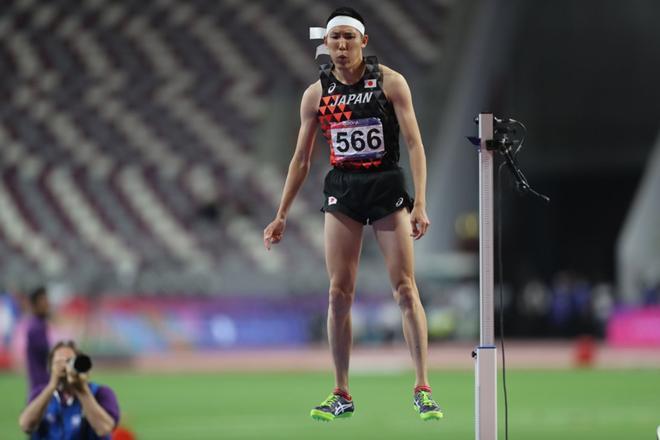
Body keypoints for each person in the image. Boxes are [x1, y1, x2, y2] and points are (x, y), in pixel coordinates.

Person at [263, 6, 442, 422]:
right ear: (325, 44)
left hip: (385, 185)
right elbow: (301, 159)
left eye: (349, 37)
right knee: (338, 293)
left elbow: (415, 145)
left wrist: (421, 201)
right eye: (335, 38)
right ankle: (341, 391)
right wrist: (281, 213)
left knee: (404, 288)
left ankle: (422, 387)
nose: (342, 45)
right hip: (343, 188)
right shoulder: (317, 94)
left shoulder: (391, 83)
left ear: (364, 41)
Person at [18, 340, 120, 439]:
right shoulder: (40, 393)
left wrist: (82, 389)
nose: (65, 366)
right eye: (59, 362)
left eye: (69, 361)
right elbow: (26, 425)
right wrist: (52, 386)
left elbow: (105, 429)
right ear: (51, 367)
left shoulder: (100, 393)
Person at [26, 286, 50, 396]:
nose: (47, 304)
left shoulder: (39, 325)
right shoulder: (36, 328)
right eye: (43, 301)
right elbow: (46, 354)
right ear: (34, 305)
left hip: (40, 384)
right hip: (40, 385)